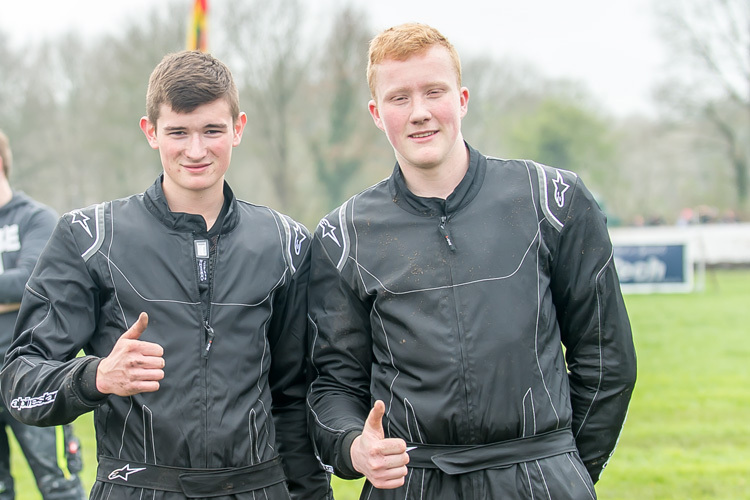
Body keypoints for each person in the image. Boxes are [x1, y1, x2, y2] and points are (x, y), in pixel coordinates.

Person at [306, 23, 637, 499]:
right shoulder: (343, 236)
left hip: (541, 477)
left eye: (433, 92)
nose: (419, 113)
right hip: (410, 484)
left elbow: (607, 361)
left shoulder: (553, 201)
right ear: (377, 114)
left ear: (461, 99)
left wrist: (565, 470)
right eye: (400, 98)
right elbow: (331, 385)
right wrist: (355, 446)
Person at [0, 52, 330, 499]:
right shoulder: (89, 237)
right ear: (150, 131)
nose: (196, 150)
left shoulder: (286, 243)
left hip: (258, 489)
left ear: (238, 127)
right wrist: (96, 376)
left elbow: (293, 402)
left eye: (212, 130)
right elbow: (19, 382)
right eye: (178, 132)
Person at [0, 129, 85, 500]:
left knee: (57, 485)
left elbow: (29, 283)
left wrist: (17, 291)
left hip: (29, 375)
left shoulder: (36, 219)